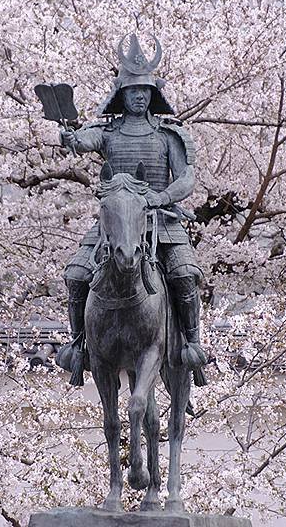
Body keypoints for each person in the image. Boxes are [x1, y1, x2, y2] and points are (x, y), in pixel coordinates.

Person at [60, 34, 206, 380]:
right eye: (133, 91)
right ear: (121, 94)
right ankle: (79, 346)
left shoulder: (169, 135)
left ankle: (191, 344)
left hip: (162, 220)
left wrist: (161, 197)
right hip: (115, 224)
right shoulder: (108, 133)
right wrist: (70, 137)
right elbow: (83, 141)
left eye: (145, 91)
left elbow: (186, 178)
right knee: (77, 275)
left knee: (185, 275)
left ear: (154, 94)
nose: (140, 97)